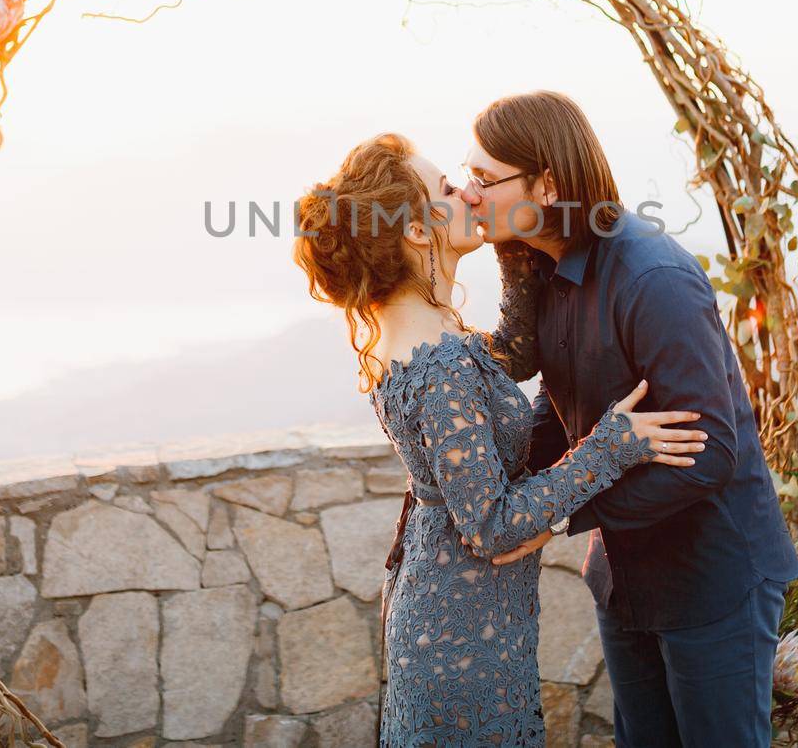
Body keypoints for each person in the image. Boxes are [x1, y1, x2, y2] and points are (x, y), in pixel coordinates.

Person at [292, 131, 710, 747]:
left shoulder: (424, 334)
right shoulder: (440, 363)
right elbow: (490, 527)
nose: (467, 192)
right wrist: (613, 445)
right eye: (446, 189)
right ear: (414, 231)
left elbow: (512, 350)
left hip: (459, 609)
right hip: (460, 627)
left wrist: (513, 240)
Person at [465, 90, 798, 748]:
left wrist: (560, 515)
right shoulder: (546, 264)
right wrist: (503, 488)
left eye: (485, 178)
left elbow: (711, 453)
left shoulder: (654, 278)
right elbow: (561, 400)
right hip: (624, 577)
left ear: (549, 182)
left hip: (713, 580)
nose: (471, 192)